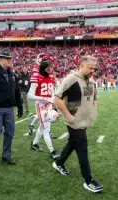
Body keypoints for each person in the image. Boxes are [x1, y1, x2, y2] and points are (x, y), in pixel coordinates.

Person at [52, 55, 103, 193]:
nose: (93, 71)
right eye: (90, 68)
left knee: (73, 143)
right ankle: (88, 180)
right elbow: (57, 98)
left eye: (94, 68)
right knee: (82, 148)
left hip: (85, 120)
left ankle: (59, 163)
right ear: (81, 65)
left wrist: (95, 112)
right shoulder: (71, 79)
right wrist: (68, 115)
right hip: (74, 121)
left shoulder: (91, 80)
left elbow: (95, 98)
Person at [28, 61, 59, 159]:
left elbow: (52, 92)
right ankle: (52, 152)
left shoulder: (50, 78)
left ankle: (34, 144)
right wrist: (45, 99)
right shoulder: (37, 77)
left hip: (49, 105)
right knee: (46, 128)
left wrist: (53, 101)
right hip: (41, 105)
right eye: (49, 68)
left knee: (43, 127)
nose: (50, 70)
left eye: (51, 68)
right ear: (43, 68)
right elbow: (30, 95)